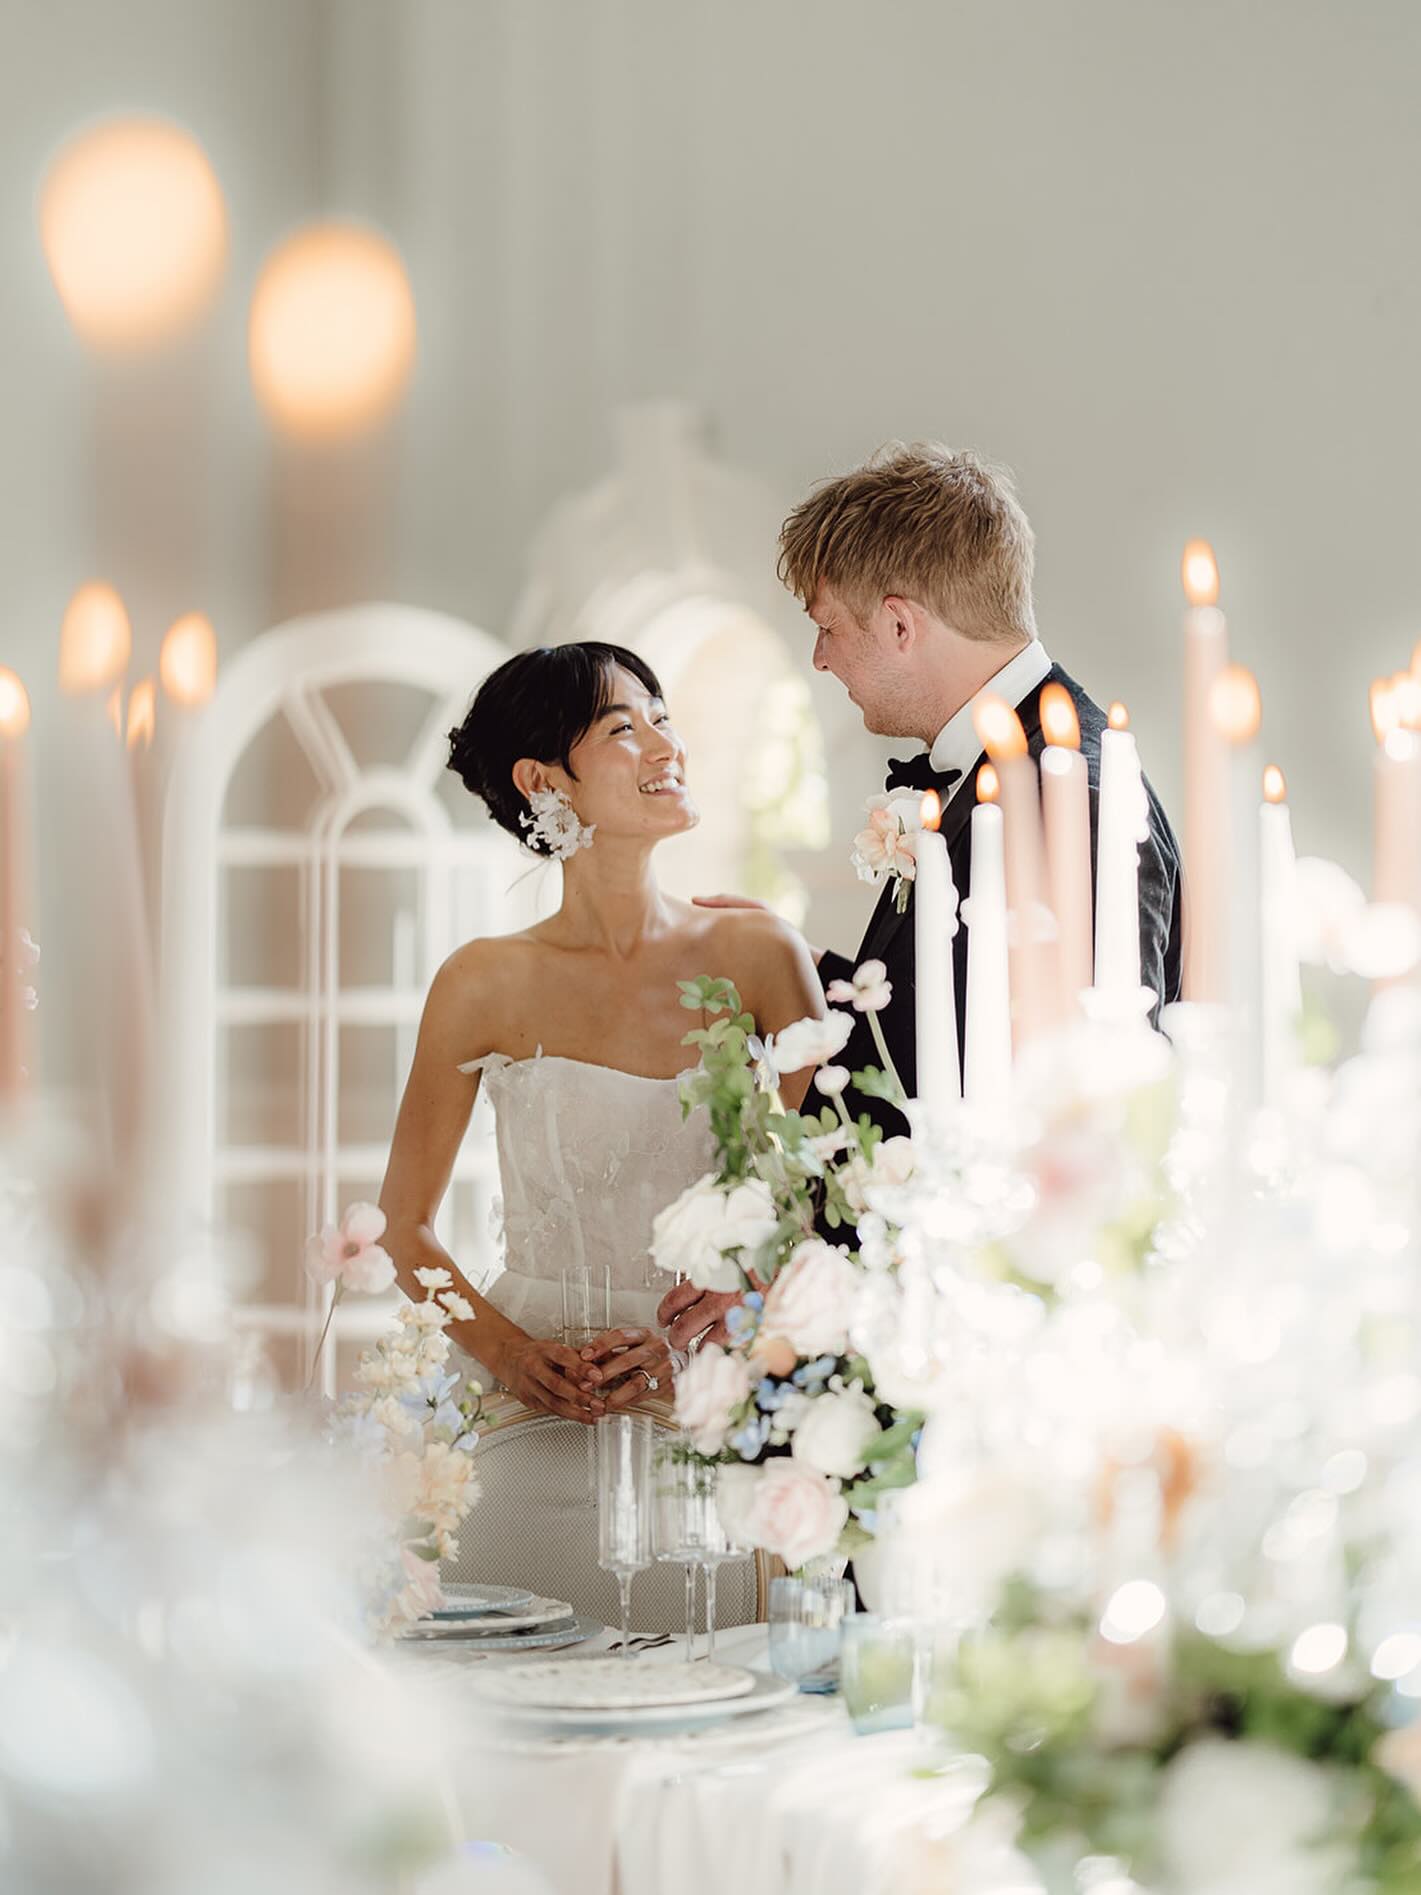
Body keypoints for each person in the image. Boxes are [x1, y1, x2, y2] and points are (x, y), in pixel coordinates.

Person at [661, 443, 1183, 1354]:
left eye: (829, 626)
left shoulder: (1073, 795)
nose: (819, 659)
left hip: (1000, 1335)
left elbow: (1069, 1101)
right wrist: (793, 964)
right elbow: (933, 1021)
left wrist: (806, 1279)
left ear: (900, 625)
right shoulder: (981, 773)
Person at [377, 640, 823, 1619]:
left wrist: (717, 1339)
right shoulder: (481, 979)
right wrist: (509, 1355)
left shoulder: (756, 953)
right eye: (626, 726)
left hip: (706, 1399)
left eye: (663, 715)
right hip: (517, 1411)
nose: (666, 742)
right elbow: (402, 1225)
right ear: (543, 780)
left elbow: (812, 1203)